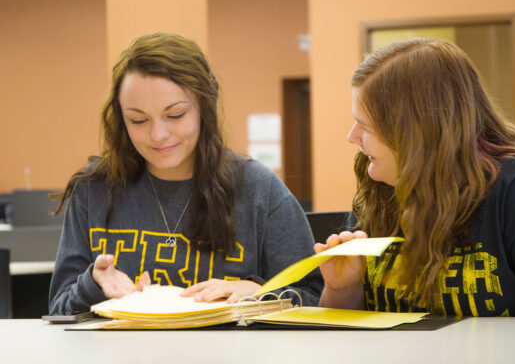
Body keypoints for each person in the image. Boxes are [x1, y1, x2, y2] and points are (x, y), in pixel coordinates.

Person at [316, 38, 515, 317]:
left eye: (365, 126)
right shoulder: (382, 191)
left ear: (416, 134)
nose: (351, 137)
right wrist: (343, 291)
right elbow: (346, 339)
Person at [49, 32, 322, 315]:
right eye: (138, 120)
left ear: (204, 107)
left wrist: (259, 293)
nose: (158, 135)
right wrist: (94, 283)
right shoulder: (94, 190)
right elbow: (57, 310)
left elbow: (314, 298)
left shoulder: (259, 190)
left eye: (176, 115)